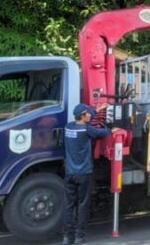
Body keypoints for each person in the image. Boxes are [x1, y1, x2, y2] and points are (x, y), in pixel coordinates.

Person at [63, 103, 111, 245]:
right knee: (83, 205)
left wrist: (98, 109)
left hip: (70, 173)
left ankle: (67, 237)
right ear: (83, 116)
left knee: (68, 205)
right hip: (84, 174)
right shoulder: (87, 130)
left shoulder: (69, 127)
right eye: (88, 113)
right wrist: (114, 128)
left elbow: (87, 119)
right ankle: (80, 236)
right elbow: (105, 132)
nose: (90, 115)